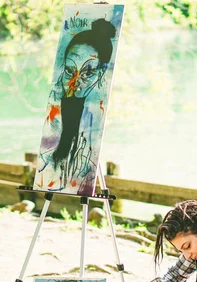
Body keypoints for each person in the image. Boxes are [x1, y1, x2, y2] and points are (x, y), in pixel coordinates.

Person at [37, 18, 117, 194]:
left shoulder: (91, 129)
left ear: (101, 73)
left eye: (88, 72)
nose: (75, 84)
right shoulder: (53, 126)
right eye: (69, 71)